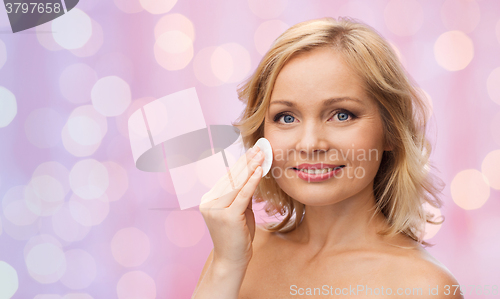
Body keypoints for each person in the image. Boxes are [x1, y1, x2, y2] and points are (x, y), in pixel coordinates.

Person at [192, 17, 463, 299]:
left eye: (342, 115)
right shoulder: (235, 255)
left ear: (391, 131)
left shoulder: (424, 287)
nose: (310, 144)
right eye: (286, 117)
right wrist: (226, 267)